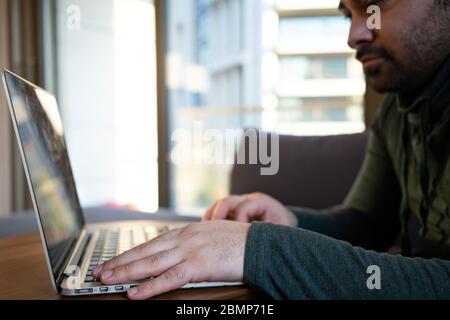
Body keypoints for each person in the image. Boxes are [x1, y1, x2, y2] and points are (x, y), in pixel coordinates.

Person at [93, 0, 450, 299]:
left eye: (374, 6)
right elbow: (367, 222)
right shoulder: (397, 112)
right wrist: (292, 221)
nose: (354, 34)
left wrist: (258, 249)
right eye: (348, 15)